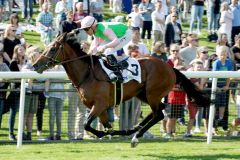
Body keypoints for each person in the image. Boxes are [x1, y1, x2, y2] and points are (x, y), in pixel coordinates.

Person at [79, 15, 132, 82]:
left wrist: (105, 46)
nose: (85, 31)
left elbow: (116, 41)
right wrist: (90, 52)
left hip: (126, 34)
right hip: (117, 36)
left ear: (92, 26)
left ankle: (118, 74)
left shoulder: (104, 29)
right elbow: (96, 44)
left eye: (86, 29)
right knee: (98, 51)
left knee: (108, 51)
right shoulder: (95, 30)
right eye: (84, 29)